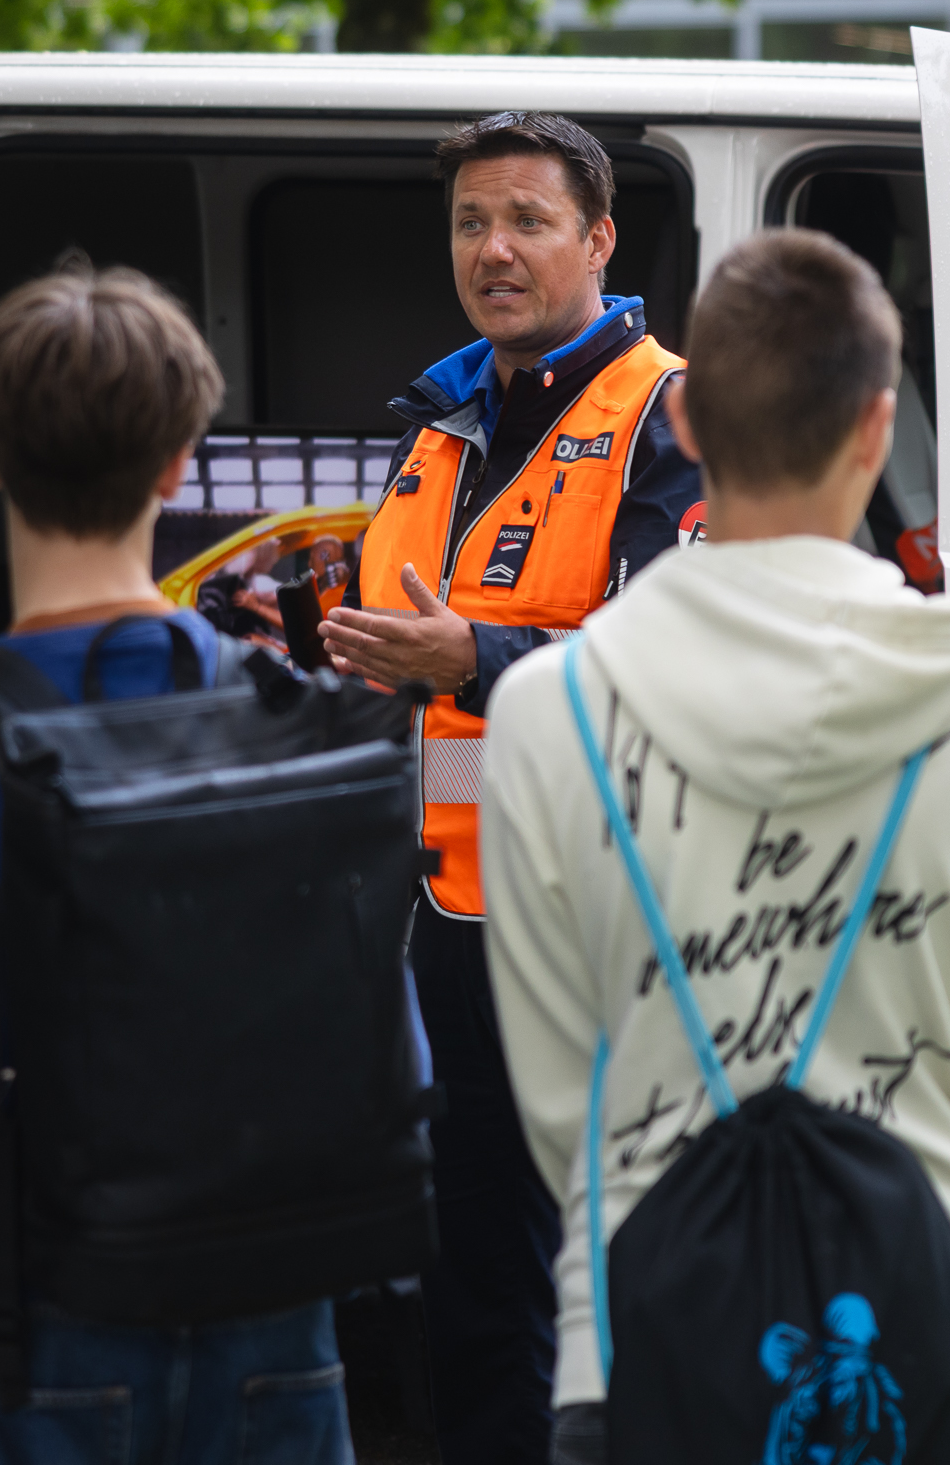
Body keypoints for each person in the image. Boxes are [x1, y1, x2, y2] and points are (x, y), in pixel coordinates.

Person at [476, 229, 950, 1463]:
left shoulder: (548, 711)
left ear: (684, 421)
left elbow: (555, 1097)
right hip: (920, 1299)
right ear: (875, 428)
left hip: (632, 1332)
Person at [0, 261, 354, 1463]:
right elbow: (375, 1042)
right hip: (277, 1317)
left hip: (23, 1314)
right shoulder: (293, 706)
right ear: (180, 467)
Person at [313, 110, 700, 1465]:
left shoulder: (665, 413)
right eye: (473, 224)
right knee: (446, 1257)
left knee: (538, 1272)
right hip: (424, 909)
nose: (495, 249)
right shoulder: (444, 417)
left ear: (599, 241)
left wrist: (466, 653)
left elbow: (670, 663)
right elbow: (393, 646)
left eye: (529, 222)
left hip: (573, 912)